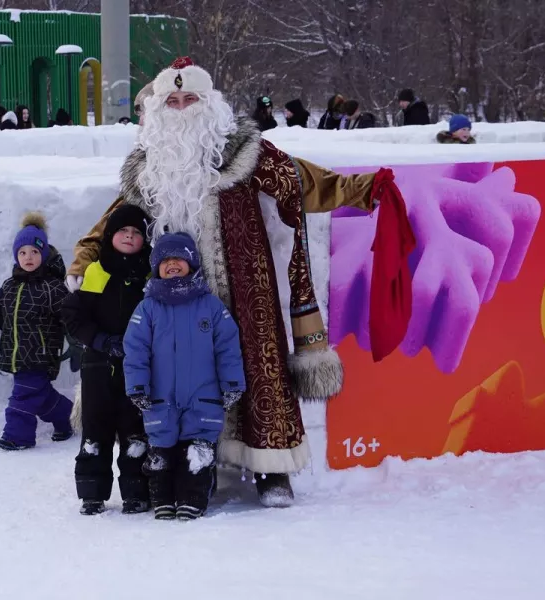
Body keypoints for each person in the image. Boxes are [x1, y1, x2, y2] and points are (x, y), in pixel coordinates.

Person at [66, 57, 415, 507]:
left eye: (189, 97)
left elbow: (303, 182)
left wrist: (365, 189)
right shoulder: (148, 166)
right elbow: (116, 221)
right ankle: (187, 468)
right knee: (173, 379)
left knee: (255, 364)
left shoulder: (244, 151)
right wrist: (84, 256)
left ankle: (271, 468)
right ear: (156, 108)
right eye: (171, 100)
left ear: (209, 103)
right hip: (169, 297)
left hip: (242, 285)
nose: (180, 106)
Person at [123, 232, 245, 520]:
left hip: (203, 396)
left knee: (198, 449)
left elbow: (228, 347)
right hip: (159, 397)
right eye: (165, 261)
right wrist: (138, 386)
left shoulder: (211, 306)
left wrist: (231, 383)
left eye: (179, 258)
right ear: (156, 269)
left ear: (192, 264)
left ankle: (192, 499)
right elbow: (135, 349)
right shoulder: (148, 308)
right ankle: (163, 499)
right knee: (161, 449)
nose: (172, 264)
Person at [62, 205, 153, 516]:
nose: (129, 237)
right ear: (110, 236)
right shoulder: (97, 272)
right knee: (95, 431)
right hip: (98, 366)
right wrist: (100, 340)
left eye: (136, 233)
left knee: (135, 431)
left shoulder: (148, 276)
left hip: (137, 368)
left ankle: (136, 492)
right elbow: (73, 315)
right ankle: (92, 492)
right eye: (122, 232)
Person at [0, 212, 74, 451]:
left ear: (43, 254)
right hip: (17, 356)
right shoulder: (9, 286)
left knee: (21, 398)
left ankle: (17, 436)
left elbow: (70, 317)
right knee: (41, 397)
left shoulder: (52, 287)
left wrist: (76, 343)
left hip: (40, 356)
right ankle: (65, 416)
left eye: (34, 252)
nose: (28, 257)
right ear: (16, 256)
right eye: (22, 252)